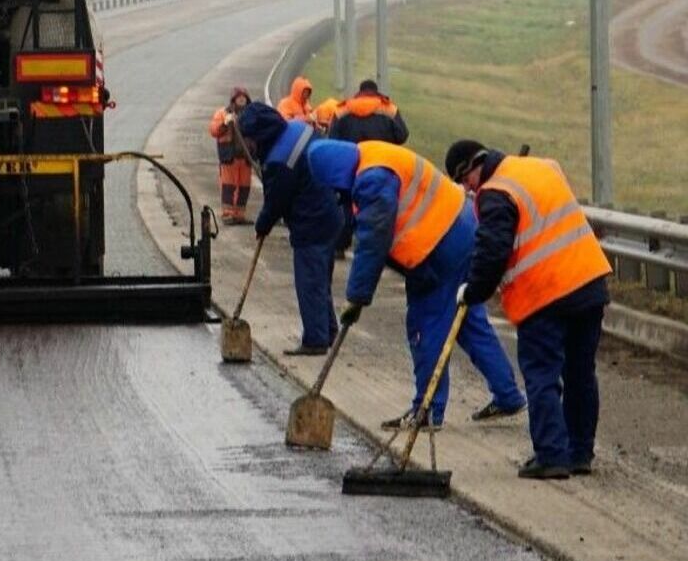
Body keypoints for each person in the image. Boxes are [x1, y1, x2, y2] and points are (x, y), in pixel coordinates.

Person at [308, 139, 525, 431]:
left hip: (438, 249)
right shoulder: (372, 153)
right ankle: (508, 395)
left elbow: (373, 240)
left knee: (426, 325)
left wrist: (356, 297)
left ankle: (426, 409)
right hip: (464, 229)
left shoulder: (372, 180)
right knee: (468, 321)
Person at [446, 140, 613, 480]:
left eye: (466, 181)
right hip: (589, 282)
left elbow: (492, 250)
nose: (468, 189)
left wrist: (473, 291)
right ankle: (580, 452)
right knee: (581, 372)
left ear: (474, 166)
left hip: (545, 294)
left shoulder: (495, 192)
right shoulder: (543, 167)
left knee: (542, 374)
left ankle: (551, 455)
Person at [240, 102, 341, 354]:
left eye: (249, 139)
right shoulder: (297, 128)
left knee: (309, 281)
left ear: (260, 134)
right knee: (320, 278)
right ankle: (328, 329)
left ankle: (316, 340)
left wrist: (262, 225)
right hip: (332, 212)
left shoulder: (279, 160)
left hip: (312, 221)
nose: (249, 145)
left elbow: (276, 200)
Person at [208, 87, 255, 224]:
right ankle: (228, 214)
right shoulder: (223, 114)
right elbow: (213, 130)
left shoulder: (251, 115)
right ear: (233, 99)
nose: (242, 99)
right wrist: (225, 124)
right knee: (228, 186)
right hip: (230, 156)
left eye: (244, 97)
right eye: (239, 97)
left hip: (246, 158)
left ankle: (239, 215)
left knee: (244, 187)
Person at [328, 79, 409, 146]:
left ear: (360, 91)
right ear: (376, 92)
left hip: (353, 160)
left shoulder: (342, 110)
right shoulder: (390, 109)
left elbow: (332, 139)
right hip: (381, 158)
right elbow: (402, 136)